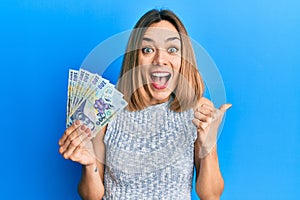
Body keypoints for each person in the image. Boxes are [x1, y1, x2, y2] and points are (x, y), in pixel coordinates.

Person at [58, 9, 231, 200]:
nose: (160, 59)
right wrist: (90, 164)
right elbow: (91, 196)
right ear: (135, 59)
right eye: (148, 49)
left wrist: (209, 145)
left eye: (172, 49)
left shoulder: (197, 110)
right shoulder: (107, 109)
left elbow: (211, 195)